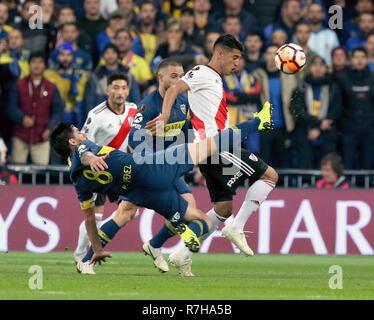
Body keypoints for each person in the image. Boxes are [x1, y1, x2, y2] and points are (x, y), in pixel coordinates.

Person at [49, 113, 266, 273]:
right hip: (150, 169)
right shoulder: (82, 149)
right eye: (78, 132)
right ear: (72, 141)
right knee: (212, 144)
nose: (82, 133)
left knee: (202, 219)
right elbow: (83, 153)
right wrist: (91, 158)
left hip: (140, 193)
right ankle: (259, 121)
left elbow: (88, 219)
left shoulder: (77, 180)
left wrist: (95, 249)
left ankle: (86, 261)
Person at [146, 34, 277, 276]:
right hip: (218, 149)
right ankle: (236, 227)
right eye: (234, 57)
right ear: (220, 54)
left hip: (213, 151)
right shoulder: (203, 72)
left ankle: (182, 255)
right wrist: (164, 116)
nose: (237, 63)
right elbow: (175, 87)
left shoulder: (215, 79)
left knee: (223, 208)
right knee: (270, 176)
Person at [128, 59, 195, 273]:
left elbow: (187, 131)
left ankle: (156, 245)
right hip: (150, 168)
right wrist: (149, 165)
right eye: (174, 76)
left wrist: (190, 156)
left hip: (172, 167)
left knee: (188, 207)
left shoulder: (182, 102)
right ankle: (88, 254)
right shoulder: (148, 105)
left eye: (181, 76)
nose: (179, 80)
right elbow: (134, 140)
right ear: (161, 77)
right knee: (125, 213)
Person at [73, 72, 138, 263]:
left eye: (124, 88)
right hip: (99, 171)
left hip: (123, 171)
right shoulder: (96, 115)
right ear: (108, 89)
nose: (120, 92)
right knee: (97, 215)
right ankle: (79, 252)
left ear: (128, 90)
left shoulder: (134, 110)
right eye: (116, 88)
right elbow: (82, 143)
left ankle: (95, 241)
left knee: (132, 212)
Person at [6, 51, 64, 165]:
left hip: (42, 136)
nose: (36, 65)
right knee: (17, 172)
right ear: (29, 64)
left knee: (41, 173)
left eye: (40, 62)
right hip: (20, 135)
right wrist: (22, 118)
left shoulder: (51, 87)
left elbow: (58, 111)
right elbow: (10, 107)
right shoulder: (18, 84)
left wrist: (50, 128)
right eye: (33, 62)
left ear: (45, 66)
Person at [289, 56, 342, 169]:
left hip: (327, 132)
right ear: (310, 68)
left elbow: (336, 110)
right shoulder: (301, 88)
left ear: (326, 68)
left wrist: (319, 128)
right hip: (305, 132)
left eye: (321, 65)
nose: (318, 68)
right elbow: (297, 110)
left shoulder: (334, 88)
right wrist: (318, 123)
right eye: (315, 64)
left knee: (327, 167)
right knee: (304, 168)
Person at [251, 43, 298, 168]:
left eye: (275, 53)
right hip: (264, 127)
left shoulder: (289, 75)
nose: (272, 56)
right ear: (264, 56)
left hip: (284, 126)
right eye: (269, 53)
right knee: (264, 162)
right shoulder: (256, 76)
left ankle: (286, 187)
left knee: (284, 162)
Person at [334, 47, 374, 170]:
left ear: (367, 59)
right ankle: (346, 188)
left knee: (367, 166)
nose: (359, 60)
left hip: (369, 129)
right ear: (351, 60)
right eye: (356, 57)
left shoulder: (373, 78)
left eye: (362, 57)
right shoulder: (341, 78)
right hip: (348, 129)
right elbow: (337, 104)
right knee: (347, 165)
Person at [84, 43, 141, 118]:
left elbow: (136, 97)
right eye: (107, 53)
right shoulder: (96, 76)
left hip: (125, 117)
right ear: (103, 55)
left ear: (117, 55)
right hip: (102, 117)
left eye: (113, 53)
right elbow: (90, 101)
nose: (110, 56)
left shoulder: (128, 74)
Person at [44, 42, 89, 128]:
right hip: (54, 114)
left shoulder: (80, 75)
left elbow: (81, 97)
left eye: (69, 55)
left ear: (73, 56)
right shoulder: (49, 74)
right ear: (57, 56)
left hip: (75, 116)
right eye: (62, 55)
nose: (65, 58)